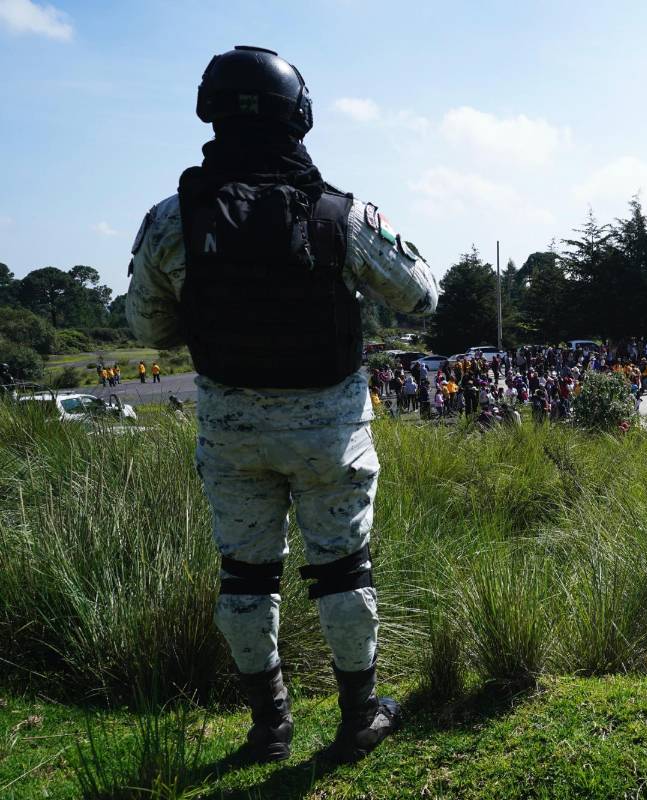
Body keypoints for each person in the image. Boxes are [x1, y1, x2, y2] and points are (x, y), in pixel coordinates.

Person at [126, 46, 439, 765]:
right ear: (299, 117)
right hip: (330, 426)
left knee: (245, 575)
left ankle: (268, 727)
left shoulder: (172, 219)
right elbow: (422, 295)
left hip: (231, 428)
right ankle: (360, 715)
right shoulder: (341, 214)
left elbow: (147, 328)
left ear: (210, 111)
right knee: (342, 570)